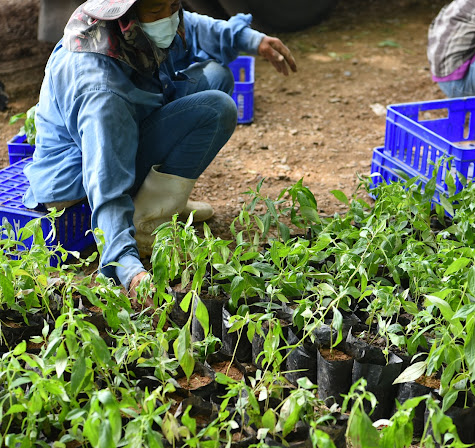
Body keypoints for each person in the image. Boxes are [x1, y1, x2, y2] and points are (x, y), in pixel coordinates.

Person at [22, 0, 296, 301]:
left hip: (122, 132)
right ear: (126, 17)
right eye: (155, 12)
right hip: (80, 176)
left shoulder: (138, 30)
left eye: (173, 5)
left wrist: (251, 40)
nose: (167, 18)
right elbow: (105, 177)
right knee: (216, 110)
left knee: (216, 75)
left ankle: (162, 205)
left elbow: (191, 26)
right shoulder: (99, 86)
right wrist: (124, 263)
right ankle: (143, 226)